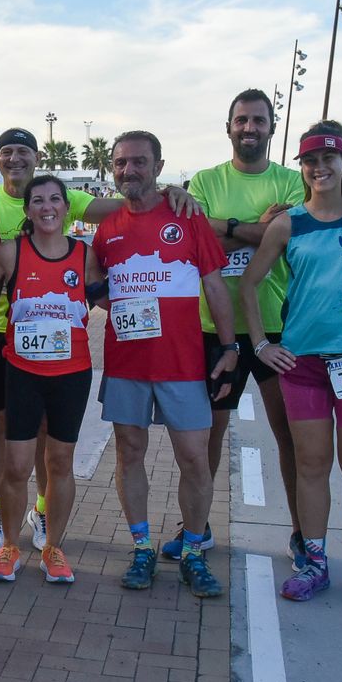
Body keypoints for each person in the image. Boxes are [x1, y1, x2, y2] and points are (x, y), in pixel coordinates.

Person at [0, 127, 189, 554]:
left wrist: (168, 194)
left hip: (60, 352)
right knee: (0, 426)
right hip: (3, 333)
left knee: (47, 437)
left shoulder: (67, 205)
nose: (15, 159)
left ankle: (42, 511)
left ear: (38, 159)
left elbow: (127, 205)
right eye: (7, 152)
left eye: (24, 151)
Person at [242, 122, 342, 609]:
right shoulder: (288, 224)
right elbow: (249, 283)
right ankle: (315, 560)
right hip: (303, 363)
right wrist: (262, 344)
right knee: (311, 464)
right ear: (301, 168)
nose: (319, 167)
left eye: (329, 158)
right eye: (309, 161)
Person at [94, 132, 236, 597]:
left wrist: (231, 348)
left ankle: (194, 551)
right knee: (129, 453)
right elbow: (93, 284)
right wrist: (115, 308)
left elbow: (215, 287)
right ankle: (141, 548)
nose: (128, 171)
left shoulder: (187, 217)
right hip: (127, 363)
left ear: (158, 166)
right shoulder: (107, 228)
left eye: (138, 162)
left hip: (182, 364)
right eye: (120, 163)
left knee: (194, 459)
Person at [169, 89, 306, 569]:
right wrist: (259, 227)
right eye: (242, 120)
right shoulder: (206, 179)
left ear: (272, 127)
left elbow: (290, 236)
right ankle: (196, 529)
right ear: (228, 127)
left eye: (259, 121)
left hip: (276, 329)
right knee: (208, 434)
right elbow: (196, 234)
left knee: (290, 436)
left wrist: (224, 227)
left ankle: (303, 534)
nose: (250, 128)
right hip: (214, 329)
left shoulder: (293, 181)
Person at [0, 175, 104, 584]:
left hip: (72, 375)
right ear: (27, 210)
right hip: (22, 373)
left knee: (60, 463)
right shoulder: (11, 253)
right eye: (38, 200)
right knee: (18, 465)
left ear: (67, 208)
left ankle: (53, 548)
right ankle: (9, 545)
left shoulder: (84, 254)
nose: (47, 207)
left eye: (55, 200)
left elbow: (108, 297)